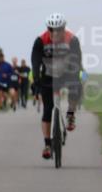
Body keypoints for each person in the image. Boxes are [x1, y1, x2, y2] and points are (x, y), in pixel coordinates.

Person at [31, 13, 84, 159]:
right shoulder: (40, 41)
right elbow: (35, 62)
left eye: (59, 29)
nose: (55, 32)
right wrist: (35, 79)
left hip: (67, 73)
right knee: (47, 110)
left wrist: (76, 75)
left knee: (76, 86)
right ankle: (47, 144)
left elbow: (77, 60)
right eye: (51, 29)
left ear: (64, 28)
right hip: (48, 75)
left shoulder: (72, 39)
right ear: (48, 28)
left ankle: (71, 114)